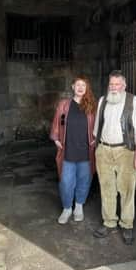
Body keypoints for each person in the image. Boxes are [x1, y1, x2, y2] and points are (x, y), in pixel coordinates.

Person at [92, 70, 136, 245]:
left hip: (126, 151)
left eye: (117, 84)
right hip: (104, 150)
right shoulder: (103, 101)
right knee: (106, 188)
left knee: (127, 189)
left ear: (124, 86)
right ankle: (109, 222)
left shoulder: (134, 101)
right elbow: (97, 126)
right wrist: (97, 145)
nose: (114, 87)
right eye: (111, 84)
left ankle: (127, 224)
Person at [49, 76, 97, 224]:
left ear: (87, 88)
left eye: (83, 85)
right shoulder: (64, 105)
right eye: (78, 85)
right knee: (65, 181)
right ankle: (67, 208)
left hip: (86, 151)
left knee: (84, 180)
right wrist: (56, 138)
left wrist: (96, 137)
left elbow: (98, 124)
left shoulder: (92, 106)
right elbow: (57, 122)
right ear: (72, 87)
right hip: (67, 150)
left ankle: (79, 206)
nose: (80, 87)